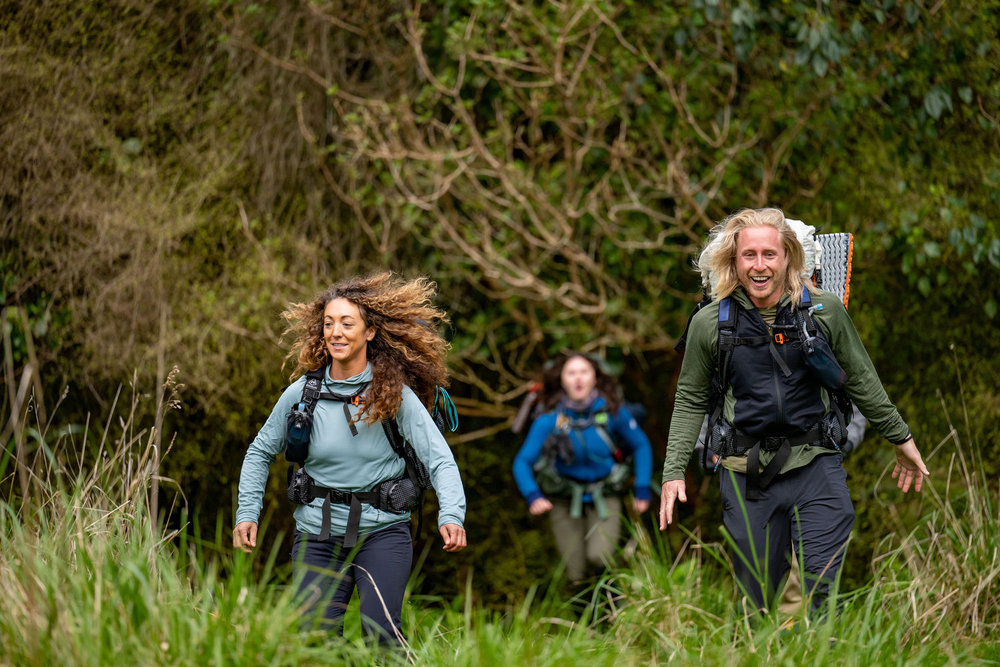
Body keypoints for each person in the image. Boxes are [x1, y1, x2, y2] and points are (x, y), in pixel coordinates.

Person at [659, 208, 929, 615]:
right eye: (749, 255)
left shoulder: (824, 310)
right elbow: (691, 398)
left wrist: (900, 437)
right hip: (745, 472)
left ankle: (826, 655)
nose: (760, 265)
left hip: (816, 464)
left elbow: (860, 379)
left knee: (824, 589)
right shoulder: (711, 323)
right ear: (733, 261)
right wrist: (673, 470)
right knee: (757, 601)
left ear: (788, 257)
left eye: (770, 254)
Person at [233, 272, 467, 645]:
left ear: (370, 332)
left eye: (346, 323)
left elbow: (439, 459)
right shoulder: (302, 393)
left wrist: (451, 514)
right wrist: (247, 512)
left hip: (383, 532)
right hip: (316, 534)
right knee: (315, 641)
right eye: (328, 324)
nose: (336, 332)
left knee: (381, 635)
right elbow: (260, 451)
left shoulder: (394, 395)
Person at [513, 352, 653, 582]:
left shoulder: (612, 412)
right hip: (564, 498)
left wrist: (642, 487)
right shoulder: (549, 419)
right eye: (571, 373)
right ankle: (584, 617)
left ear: (595, 378)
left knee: (600, 558)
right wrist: (533, 495)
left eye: (584, 372)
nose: (578, 378)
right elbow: (522, 461)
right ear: (562, 380)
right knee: (574, 573)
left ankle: (619, 600)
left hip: (605, 494)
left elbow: (641, 445)